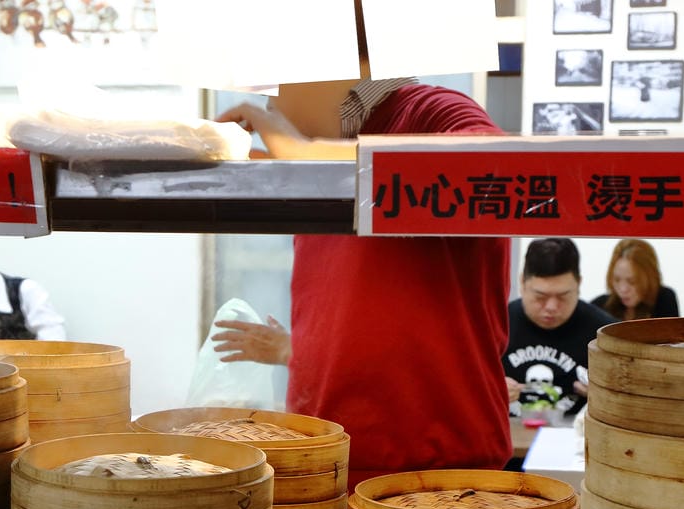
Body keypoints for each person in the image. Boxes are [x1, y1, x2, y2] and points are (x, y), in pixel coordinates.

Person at [213, 77, 514, 485]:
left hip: (442, 466)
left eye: (275, 93)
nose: (269, 107)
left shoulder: (428, 111)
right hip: (325, 454)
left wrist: (304, 150)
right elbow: (353, 303)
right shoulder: (320, 158)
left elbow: (498, 164)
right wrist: (295, 351)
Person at [503, 237, 616, 419]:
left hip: (580, 433)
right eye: (540, 296)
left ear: (578, 284)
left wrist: (607, 395)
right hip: (508, 432)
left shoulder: (606, 333)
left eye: (563, 296)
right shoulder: (495, 325)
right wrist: (489, 389)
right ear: (522, 283)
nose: (551, 307)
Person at [592, 238, 680, 321]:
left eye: (632, 282)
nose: (623, 289)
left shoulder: (664, 299)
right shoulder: (599, 306)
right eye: (617, 280)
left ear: (650, 279)